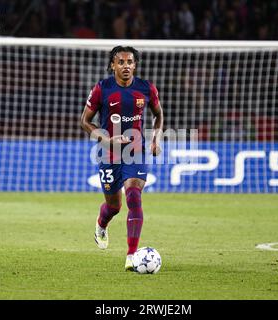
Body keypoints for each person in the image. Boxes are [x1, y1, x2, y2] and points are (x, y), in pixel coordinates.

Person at [80, 46, 164, 271]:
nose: (126, 66)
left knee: (134, 196)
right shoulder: (102, 88)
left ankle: (131, 255)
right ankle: (101, 224)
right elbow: (85, 121)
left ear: (135, 65)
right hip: (108, 154)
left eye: (130, 62)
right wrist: (106, 140)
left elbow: (158, 115)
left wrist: (156, 139)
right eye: (121, 62)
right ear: (112, 66)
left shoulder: (146, 89)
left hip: (135, 151)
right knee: (114, 206)